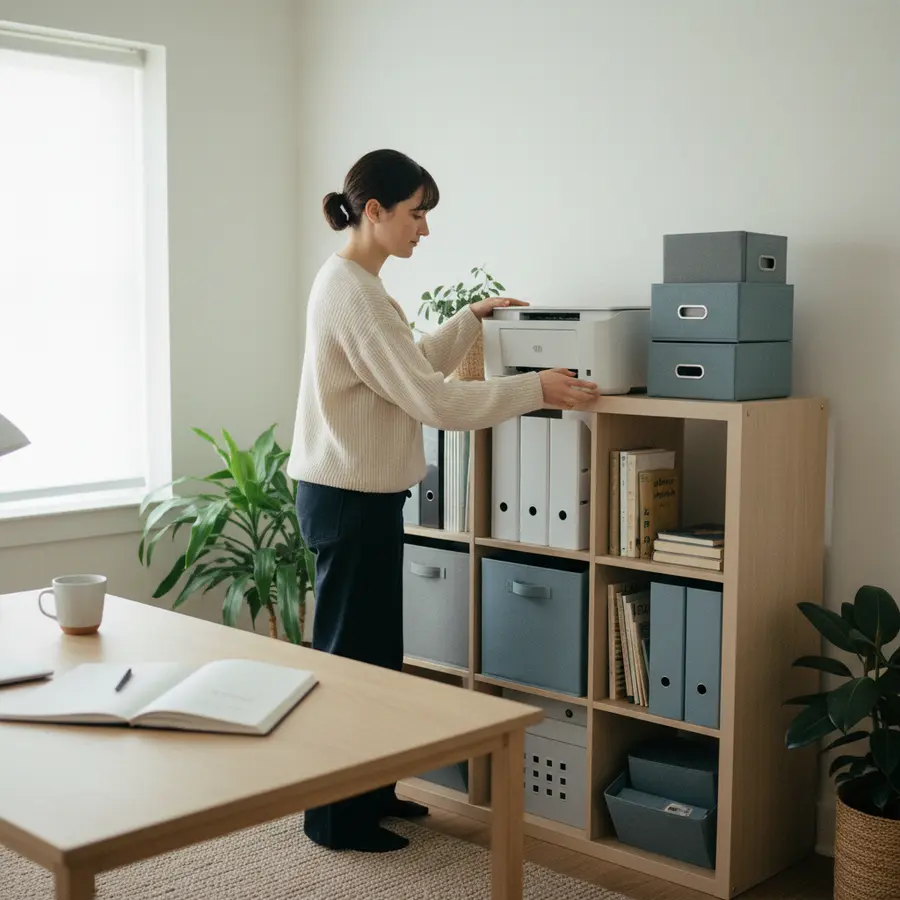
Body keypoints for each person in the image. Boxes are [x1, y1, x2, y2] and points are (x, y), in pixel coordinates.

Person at [286, 149, 598, 853]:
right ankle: (335, 821)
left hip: (359, 496)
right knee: (349, 666)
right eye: (416, 212)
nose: (423, 229)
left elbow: (408, 366)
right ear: (375, 211)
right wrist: (533, 390)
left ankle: (371, 795)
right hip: (346, 499)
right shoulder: (352, 291)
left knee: (374, 659)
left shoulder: (360, 285)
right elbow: (430, 398)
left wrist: (469, 319)